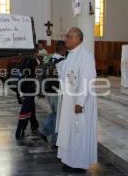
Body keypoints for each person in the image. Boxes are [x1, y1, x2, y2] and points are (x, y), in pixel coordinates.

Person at [56, 27, 97, 173]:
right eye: (66, 36)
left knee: (78, 131)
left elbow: (87, 79)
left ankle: (79, 163)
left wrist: (80, 102)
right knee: (69, 131)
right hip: (69, 100)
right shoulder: (71, 55)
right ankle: (69, 160)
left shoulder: (85, 56)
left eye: (69, 36)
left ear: (78, 38)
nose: (66, 39)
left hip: (78, 103)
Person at [39, 40, 67, 149]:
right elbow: (64, 79)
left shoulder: (50, 58)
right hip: (57, 91)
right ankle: (55, 141)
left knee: (55, 113)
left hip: (49, 90)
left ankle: (44, 131)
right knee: (58, 116)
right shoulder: (63, 62)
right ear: (63, 49)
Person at [15, 57, 39, 139]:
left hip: (24, 91)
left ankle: (34, 125)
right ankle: (20, 131)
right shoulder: (29, 74)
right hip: (28, 92)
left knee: (31, 107)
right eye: (36, 66)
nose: (36, 68)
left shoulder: (23, 68)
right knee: (25, 111)